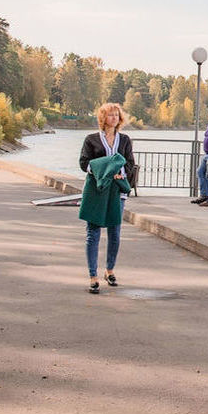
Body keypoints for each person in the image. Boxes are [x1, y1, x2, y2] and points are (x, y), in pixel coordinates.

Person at [78, 102, 135, 294]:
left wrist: (121, 174)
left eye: (117, 115)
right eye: (110, 115)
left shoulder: (125, 140)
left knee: (115, 233)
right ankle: (93, 276)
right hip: (97, 191)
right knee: (93, 232)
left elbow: (130, 163)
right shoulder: (91, 140)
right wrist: (103, 169)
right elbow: (84, 163)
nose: (114, 118)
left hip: (117, 191)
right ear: (103, 118)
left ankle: (109, 270)